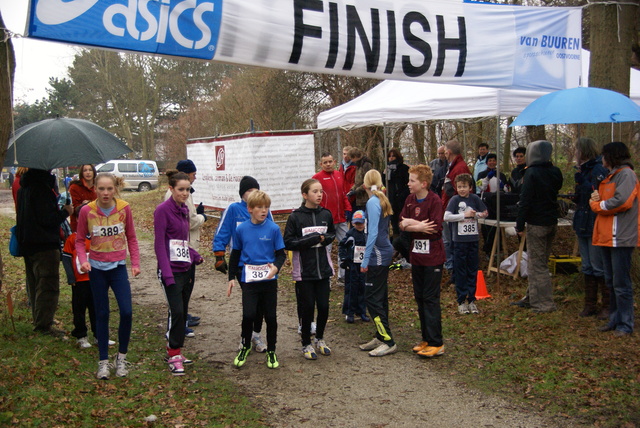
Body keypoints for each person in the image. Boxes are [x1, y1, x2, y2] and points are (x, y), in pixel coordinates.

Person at [76, 172, 141, 379]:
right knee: (102, 314)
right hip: (96, 269)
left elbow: (131, 237)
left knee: (127, 312)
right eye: (101, 189)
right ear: (95, 189)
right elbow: (78, 240)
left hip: (118, 268)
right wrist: (83, 259)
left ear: (115, 189)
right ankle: (103, 361)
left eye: (109, 189)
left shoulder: (124, 208)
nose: (105, 193)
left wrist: (136, 263)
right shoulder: (87, 210)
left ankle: (121, 358)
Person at [213, 176, 271, 352]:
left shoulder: (264, 211)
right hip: (241, 265)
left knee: (261, 303)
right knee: (250, 302)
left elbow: (273, 234)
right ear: (242, 194)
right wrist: (219, 255)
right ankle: (245, 337)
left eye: (255, 190)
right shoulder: (233, 209)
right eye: (248, 191)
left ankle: (256, 335)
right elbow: (222, 232)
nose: (252, 193)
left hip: (261, 264)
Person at [228, 190, 286, 369]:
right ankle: (245, 346)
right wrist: (231, 277)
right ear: (250, 209)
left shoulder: (273, 228)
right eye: (260, 207)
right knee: (249, 315)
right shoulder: (241, 229)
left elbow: (281, 255)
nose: (264, 211)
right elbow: (235, 254)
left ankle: (271, 351)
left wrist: (276, 266)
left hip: (268, 279)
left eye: (266, 207)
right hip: (249, 279)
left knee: (270, 317)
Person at [155, 171, 204, 375]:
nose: (185, 193)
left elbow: (181, 241)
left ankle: (176, 351)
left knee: (183, 311)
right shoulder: (162, 211)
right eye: (180, 189)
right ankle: (173, 352)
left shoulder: (184, 210)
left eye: (187, 190)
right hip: (170, 271)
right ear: (171, 189)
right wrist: (166, 274)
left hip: (186, 269)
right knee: (175, 311)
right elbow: (160, 244)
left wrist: (193, 255)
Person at [16, 168, 73, 336]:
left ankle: (40, 318)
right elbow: (47, 219)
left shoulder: (23, 188)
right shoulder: (41, 189)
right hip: (44, 244)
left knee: (35, 284)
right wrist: (65, 212)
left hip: (28, 243)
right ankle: (43, 325)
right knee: (47, 284)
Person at [284, 178, 335, 360]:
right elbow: (288, 242)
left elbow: (331, 234)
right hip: (304, 272)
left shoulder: (326, 214)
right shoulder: (296, 217)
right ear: (305, 195)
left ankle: (320, 339)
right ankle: (306, 342)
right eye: (315, 191)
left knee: (323, 307)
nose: (319, 194)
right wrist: (312, 239)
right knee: (307, 308)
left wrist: (324, 239)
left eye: (321, 191)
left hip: (323, 269)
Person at [590, 142, 638, 337]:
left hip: (621, 236)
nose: (601, 159)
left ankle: (626, 323)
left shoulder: (626, 175)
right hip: (607, 236)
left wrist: (597, 204)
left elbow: (622, 201)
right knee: (611, 281)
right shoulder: (612, 176)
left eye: (604, 155)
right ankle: (615, 318)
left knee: (621, 282)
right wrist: (596, 197)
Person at [399, 165, 446, 357]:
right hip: (416, 257)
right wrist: (415, 225)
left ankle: (437, 342)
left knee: (430, 298)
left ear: (423, 184)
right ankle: (426, 338)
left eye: (412, 181)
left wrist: (412, 224)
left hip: (433, 257)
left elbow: (433, 227)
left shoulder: (434, 200)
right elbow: (402, 223)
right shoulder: (410, 200)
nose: (408, 183)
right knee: (419, 297)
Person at [512, 140, 563, 313]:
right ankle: (532, 297)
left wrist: (519, 223)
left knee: (537, 265)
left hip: (537, 223)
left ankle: (544, 303)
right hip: (551, 221)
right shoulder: (555, 172)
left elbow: (525, 201)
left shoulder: (532, 173)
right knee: (540, 262)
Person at [164, 160, 207, 332]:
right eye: (193, 174)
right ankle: (179, 322)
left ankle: (183, 316)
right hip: (180, 249)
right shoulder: (173, 199)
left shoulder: (186, 194)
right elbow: (189, 222)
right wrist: (203, 217)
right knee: (180, 288)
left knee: (186, 286)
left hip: (187, 247)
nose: (195, 178)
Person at [357, 170, 396, 357]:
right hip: (380, 252)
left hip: (378, 255)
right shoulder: (379, 198)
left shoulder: (373, 202)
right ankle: (380, 336)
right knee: (379, 297)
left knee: (372, 299)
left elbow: (372, 233)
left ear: (364, 186)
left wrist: (365, 259)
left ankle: (387, 339)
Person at [572, 138, 608, 319]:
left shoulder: (598, 169)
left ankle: (606, 304)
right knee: (586, 264)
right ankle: (590, 303)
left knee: (597, 264)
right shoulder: (583, 169)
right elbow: (583, 197)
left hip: (594, 221)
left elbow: (598, 193)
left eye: (577, 150)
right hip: (583, 221)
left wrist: (583, 183)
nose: (575, 153)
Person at [444, 173, 488, 315]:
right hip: (459, 241)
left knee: (472, 270)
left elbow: (485, 212)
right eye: (459, 186)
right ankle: (461, 300)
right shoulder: (454, 200)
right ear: (456, 187)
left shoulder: (475, 199)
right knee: (460, 270)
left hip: (473, 240)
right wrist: (464, 216)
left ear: (470, 187)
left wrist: (478, 215)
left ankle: (472, 299)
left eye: (465, 187)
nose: (462, 189)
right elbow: (446, 217)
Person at [312, 152, 351, 282]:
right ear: (321, 164)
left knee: (346, 245)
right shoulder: (317, 178)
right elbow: (314, 199)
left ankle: (343, 276)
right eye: (325, 162)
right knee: (325, 249)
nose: (328, 164)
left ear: (334, 161)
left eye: (330, 161)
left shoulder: (339, 175)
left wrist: (348, 209)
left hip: (341, 219)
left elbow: (343, 194)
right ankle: (326, 278)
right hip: (326, 220)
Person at [441, 139, 472, 274]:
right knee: (448, 241)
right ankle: (452, 267)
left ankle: (453, 269)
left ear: (448, 152)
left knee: (450, 242)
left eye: (445, 152)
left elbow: (462, 193)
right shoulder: (454, 167)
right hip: (449, 209)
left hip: (454, 212)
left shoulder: (459, 168)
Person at [62, 231, 96, 348]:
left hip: (96, 280)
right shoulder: (73, 238)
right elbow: (66, 257)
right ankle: (81, 336)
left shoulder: (97, 236)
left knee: (96, 308)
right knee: (79, 308)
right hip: (79, 281)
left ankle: (99, 335)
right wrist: (71, 277)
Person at [338, 210, 369, 323]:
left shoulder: (367, 235)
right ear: (353, 223)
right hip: (352, 265)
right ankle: (349, 312)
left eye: (361, 223)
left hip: (363, 265)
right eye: (357, 223)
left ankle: (362, 311)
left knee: (362, 287)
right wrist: (344, 259)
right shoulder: (350, 234)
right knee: (351, 288)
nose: (359, 225)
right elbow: (342, 246)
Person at [477, 153, 508, 254]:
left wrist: (503, 187)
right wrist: (487, 178)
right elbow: (480, 187)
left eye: (494, 160)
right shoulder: (481, 174)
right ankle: (488, 250)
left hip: (498, 204)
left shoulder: (501, 175)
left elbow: (506, 190)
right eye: (490, 161)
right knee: (487, 228)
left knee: (498, 228)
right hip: (486, 203)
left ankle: (499, 249)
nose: (492, 162)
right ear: (486, 163)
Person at [385, 148, 410, 240]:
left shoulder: (404, 168)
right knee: (394, 222)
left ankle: (403, 241)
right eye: (389, 156)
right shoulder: (386, 169)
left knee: (401, 221)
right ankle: (396, 242)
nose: (391, 158)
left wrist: (401, 195)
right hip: (390, 200)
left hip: (401, 200)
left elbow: (407, 184)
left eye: (393, 156)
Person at [69, 164, 97, 232]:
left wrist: (89, 204)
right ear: (81, 173)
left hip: (96, 223)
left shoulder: (99, 186)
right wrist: (84, 206)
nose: (88, 172)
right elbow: (74, 208)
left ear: (94, 172)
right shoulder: (74, 187)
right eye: (85, 170)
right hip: (79, 224)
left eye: (90, 170)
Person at [348, 147, 374, 212]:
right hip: (360, 198)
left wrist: (356, 191)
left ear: (355, 157)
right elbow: (357, 181)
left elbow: (368, 182)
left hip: (366, 198)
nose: (351, 160)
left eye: (352, 158)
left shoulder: (366, 165)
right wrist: (352, 189)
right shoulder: (358, 165)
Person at [339, 145, 356, 210]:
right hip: (343, 195)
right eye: (344, 154)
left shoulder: (354, 166)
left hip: (351, 196)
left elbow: (354, 182)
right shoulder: (341, 166)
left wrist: (349, 194)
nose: (345, 156)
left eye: (347, 154)